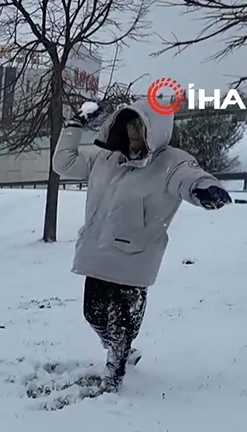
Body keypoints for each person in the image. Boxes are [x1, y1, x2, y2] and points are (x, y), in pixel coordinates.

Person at [53, 98, 232, 390]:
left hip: (135, 258)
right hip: (99, 253)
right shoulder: (105, 157)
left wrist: (205, 189)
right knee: (93, 314)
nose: (133, 131)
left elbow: (190, 177)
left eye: (139, 124)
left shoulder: (171, 161)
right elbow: (64, 164)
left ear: (155, 128)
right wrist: (75, 126)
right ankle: (122, 350)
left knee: (122, 323)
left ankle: (114, 378)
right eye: (129, 124)